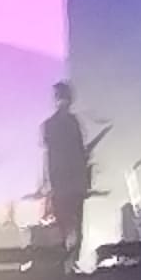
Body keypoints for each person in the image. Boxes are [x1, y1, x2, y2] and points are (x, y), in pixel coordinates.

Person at [38, 83, 99, 266]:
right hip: (72, 186)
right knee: (74, 227)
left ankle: (65, 265)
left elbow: (49, 157)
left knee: (64, 228)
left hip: (62, 186)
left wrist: (46, 184)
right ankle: (70, 264)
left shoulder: (50, 125)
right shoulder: (71, 123)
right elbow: (77, 155)